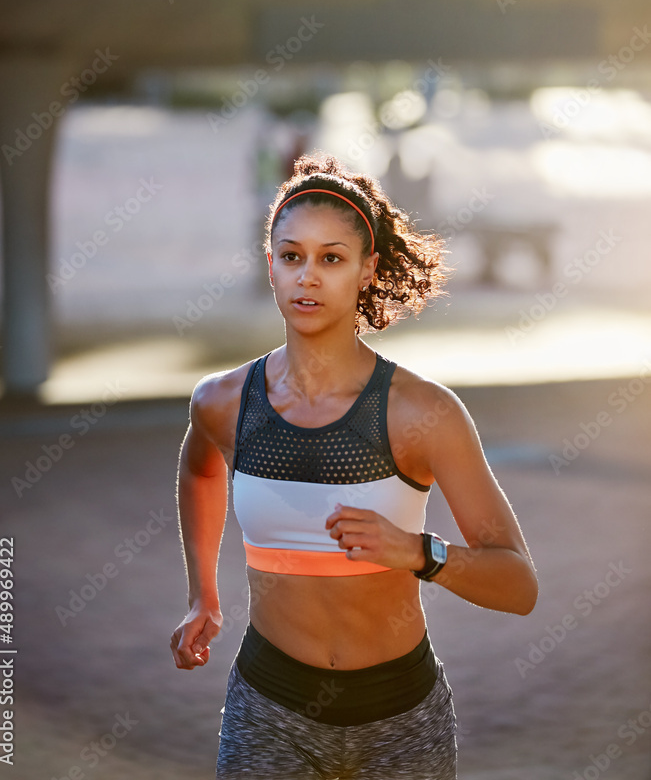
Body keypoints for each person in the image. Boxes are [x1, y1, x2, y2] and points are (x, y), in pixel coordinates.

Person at [170, 151, 538, 780]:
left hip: (401, 718)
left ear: (367, 270)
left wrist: (419, 552)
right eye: (292, 257)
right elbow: (200, 470)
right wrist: (202, 590)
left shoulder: (424, 412)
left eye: (331, 259)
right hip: (269, 706)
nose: (307, 278)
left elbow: (519, 586)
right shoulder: (222, 401)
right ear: (271, 266)